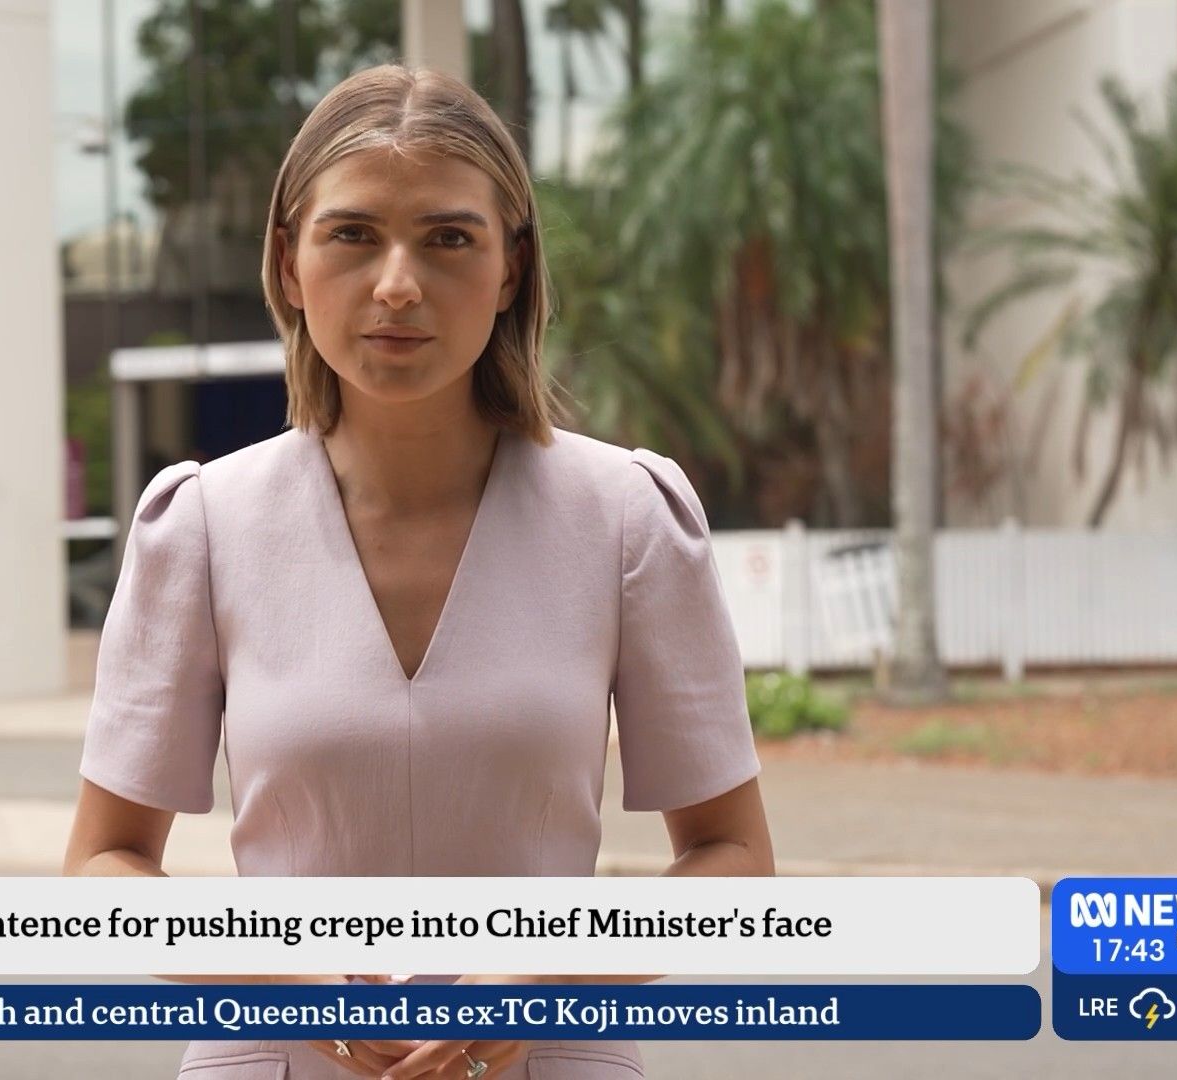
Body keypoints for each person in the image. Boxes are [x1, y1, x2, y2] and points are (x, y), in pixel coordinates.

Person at [65, 64, 773, 1080]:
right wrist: (284, 975)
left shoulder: (627, 517)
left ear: (512, 268)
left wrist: (546, 974)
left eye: (448, 239)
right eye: (353, 234)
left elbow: (734, 858)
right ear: (289, 261)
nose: (398, 283)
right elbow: (103, 863)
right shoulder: (203, 525)